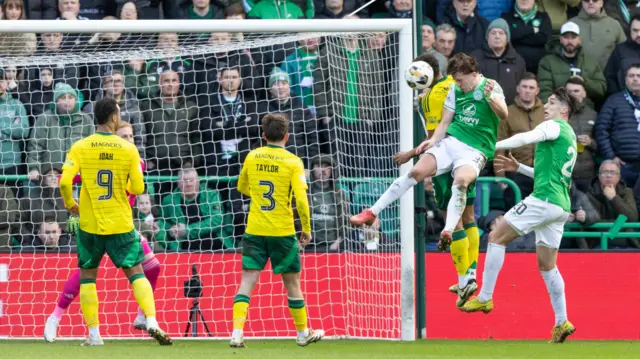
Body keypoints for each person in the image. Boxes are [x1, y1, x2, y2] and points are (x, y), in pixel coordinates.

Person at [351, 53, 508, 308]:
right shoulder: (453, 91)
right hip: (451, 142)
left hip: (476, 150)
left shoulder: (489, 86)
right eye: (455, 80)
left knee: (461, 185)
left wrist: (491, 98)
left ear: (473, 72)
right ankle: (372, 211)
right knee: (415, 173)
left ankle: (452, 244)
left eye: (461, 80)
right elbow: (444, 124)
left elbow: (504, 113)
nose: (459, 84)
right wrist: (426, 146)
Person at [460, 87, 579, 344]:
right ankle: (562, 322)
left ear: (564, 110)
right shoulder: (569, 137)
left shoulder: (555, 127)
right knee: (547, 266)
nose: (545, 106)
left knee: (495, 236)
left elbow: (524, 138)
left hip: (543, 200)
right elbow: (549, 175)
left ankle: (485, 296)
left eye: (551, 102)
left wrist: (491, 146)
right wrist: (519, 167)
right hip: (559, 207)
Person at [58, 98, 171, 346]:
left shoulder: (80, 146)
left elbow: (65, 182)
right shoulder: (129, 149)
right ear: (113, 118)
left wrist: (70, 205)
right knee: (136, 271)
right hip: (120, 222)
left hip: (90, 223)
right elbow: (139, 187)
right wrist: (124, 187)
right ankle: (151, 320)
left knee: (88, 275)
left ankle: (95, 335)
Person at [230, 113, 324, 348]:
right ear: (287, 136)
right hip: (282, 231)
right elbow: (301, 200)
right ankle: (302, 334)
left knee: (247, 280)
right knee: (292, 283)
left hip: (255, 229)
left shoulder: (252, 156)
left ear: (263, 135)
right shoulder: (293, 161)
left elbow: (242, 186)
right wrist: (306, 227)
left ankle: (237, 332)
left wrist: (260, 198)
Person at [393, 53, 481, 302]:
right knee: (469, 215)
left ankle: (464, 279)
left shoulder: (433, 95)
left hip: (448, 160)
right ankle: (472, 273)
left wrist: (412, 153)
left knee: (454, 221)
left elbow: (436, 135)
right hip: (470, 154)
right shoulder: (456, 86)